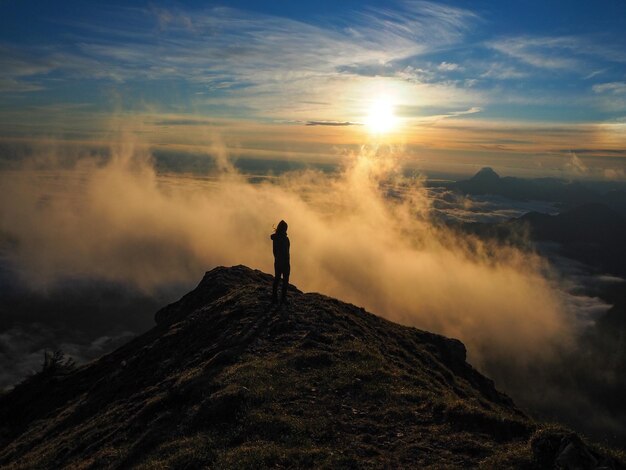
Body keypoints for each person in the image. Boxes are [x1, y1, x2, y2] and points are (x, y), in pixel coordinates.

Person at [271, 220, 290, 303]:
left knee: (277, 279)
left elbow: (274, 251)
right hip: (285, 262)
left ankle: (274, 297)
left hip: (277, 262)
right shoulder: (285, 239)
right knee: (285, 280)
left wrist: (277, 259)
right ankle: (283, 298)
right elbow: (286, 251)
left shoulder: (275, 238)